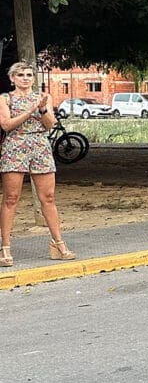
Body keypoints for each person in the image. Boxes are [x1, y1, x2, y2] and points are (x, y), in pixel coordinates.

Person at [0, 61, 74, 265]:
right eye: (21, 75)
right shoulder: (5, 98)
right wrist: (30, 110)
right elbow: (6, 125)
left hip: (40, 145)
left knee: (48, 197)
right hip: (15, 145)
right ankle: (5, 246)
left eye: (29, 75)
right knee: (11, 197)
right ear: (12, 78)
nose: (25, 78)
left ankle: (58, 242)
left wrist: (42, 110)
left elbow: (50, 125)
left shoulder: (44, 97)